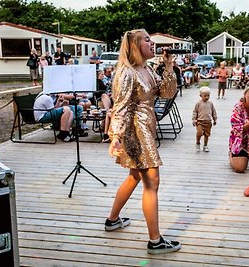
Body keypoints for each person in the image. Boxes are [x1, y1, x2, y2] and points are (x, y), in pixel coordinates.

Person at [105, 28, 181, 254]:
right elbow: (120, 106)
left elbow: (166, 93)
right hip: (135, 132)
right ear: (135, 46)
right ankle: (155, 241)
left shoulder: (145, 69)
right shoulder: (127, 73)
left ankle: (112, 220)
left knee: (135, 176)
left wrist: (168, 67)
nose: (153, 43)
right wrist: (116, 136)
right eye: (147, 40)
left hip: (146, 127)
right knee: (152, 181)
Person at [192, 86, 217, 152]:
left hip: (208, 122)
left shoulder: (210, 104)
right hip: (200, 121)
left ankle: (205, 145)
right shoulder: (198, 103)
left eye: (208, 96)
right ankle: (198, 143)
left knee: (207, 135)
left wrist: (215, 119)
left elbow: (213, 111)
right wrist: (194, 119)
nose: (207, 97)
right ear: (200, 95)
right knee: (199, 133)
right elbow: (195, 112)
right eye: (205, 96)